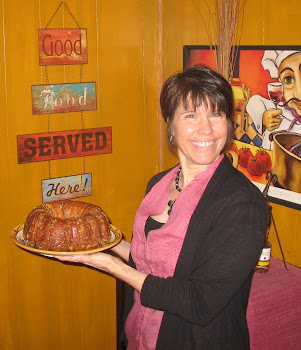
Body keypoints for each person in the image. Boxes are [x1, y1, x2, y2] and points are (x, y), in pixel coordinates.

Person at [56, 66, 270, 349]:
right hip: (142, 335)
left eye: (216, 114)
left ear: (229, 123)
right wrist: (104, 245)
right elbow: (152, 262)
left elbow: (200, 301)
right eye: (191, 115)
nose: (206, 128)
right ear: (170, 123)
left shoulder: (242, 204)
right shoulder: (159, 184)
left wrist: (111, 266)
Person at [246, 50, 301, 150]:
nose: (299, 94)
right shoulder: (280, 109)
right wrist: (263, 116)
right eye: (289, 79)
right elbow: (253, 102)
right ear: (281, 83)